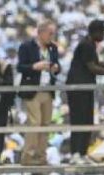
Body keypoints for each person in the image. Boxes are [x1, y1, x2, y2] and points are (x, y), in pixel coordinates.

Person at [66, 19, 104, 160]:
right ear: (95, 32)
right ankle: (75, 154)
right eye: (102, 32)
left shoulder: (89, 44)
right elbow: (93, 68)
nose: (103, 35)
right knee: (79, 120)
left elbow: (97, 63)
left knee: (87, 120)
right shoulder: (86, 45)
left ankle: (82, 153)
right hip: (78, 88)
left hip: (85, 87)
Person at [16, 20, 61, 165]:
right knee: (34, 123)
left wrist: (55, 68)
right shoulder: (26, 47)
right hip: (32, 89)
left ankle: (41, 156)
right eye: (50, 33)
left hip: (47, 89)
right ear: (41, 33)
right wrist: (35, 67)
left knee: (45, 124)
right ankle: (28, 156)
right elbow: (20, 67)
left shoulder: (53, 48)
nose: (52, 36)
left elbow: (57, 66)